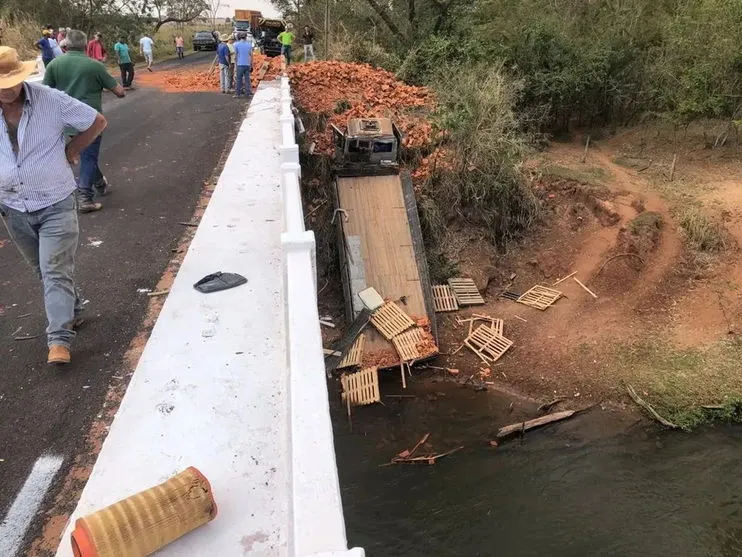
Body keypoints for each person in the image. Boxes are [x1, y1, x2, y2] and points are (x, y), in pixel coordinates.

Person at [0, 46, 107, 364]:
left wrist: (72, 150)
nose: (7, 89)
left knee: (54, 271)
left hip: (55, 201)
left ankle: (59, 339)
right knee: (43, 271)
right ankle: (73, 309)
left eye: (11, 81)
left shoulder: (50, 100)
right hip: (13, 207)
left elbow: (96, 121)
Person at [44, 30, 125, 213]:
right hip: (90, 121)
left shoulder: (54, 65)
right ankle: (85, 197)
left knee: (87, 156)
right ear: (85, 45)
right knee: (88, 157)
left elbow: (44, 94)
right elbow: (120, 92)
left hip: (65, 122)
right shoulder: (94, 66)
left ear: (66, 44)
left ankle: (99, 184)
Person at [233, 33, 253, 98]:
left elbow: (235, 56)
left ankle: (238, 93)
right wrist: (251, 65)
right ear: (245, 37)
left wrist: (235, 65)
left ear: (239, 37)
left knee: (239, 79)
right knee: (247, 80)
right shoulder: (249, 45)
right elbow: (251, 56)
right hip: (247, 64)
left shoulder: (236, 44)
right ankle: (248, 93)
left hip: (240, 64)